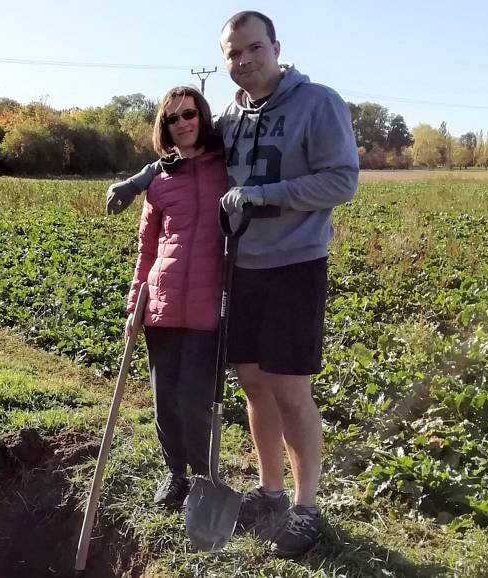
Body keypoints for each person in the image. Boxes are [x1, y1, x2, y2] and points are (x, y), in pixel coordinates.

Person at [108, 11, 358, 558]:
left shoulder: (318, 103)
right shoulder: (232, 116)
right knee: (252, 384)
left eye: (253, 49)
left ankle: (306, 507)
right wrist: (134, 181)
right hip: (240, 268)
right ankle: (269, 492)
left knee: (292, 391)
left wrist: (264, 197)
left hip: (294, 264)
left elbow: (343, 180)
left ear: (274, 46)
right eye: (232, 54)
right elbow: (181, 156)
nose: (243, 60)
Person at [126, 85, 228, 509]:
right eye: (173, 118)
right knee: (165, 397)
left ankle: (205, 476)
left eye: (190, 114)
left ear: (202, 117)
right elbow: (147, 249)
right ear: (164, 127)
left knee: (196, 398)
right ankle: (175, 475)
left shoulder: (227, 168)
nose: (183, 123)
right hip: (162, 303)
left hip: (208, 305)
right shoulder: (160, 181)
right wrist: (135, 306)